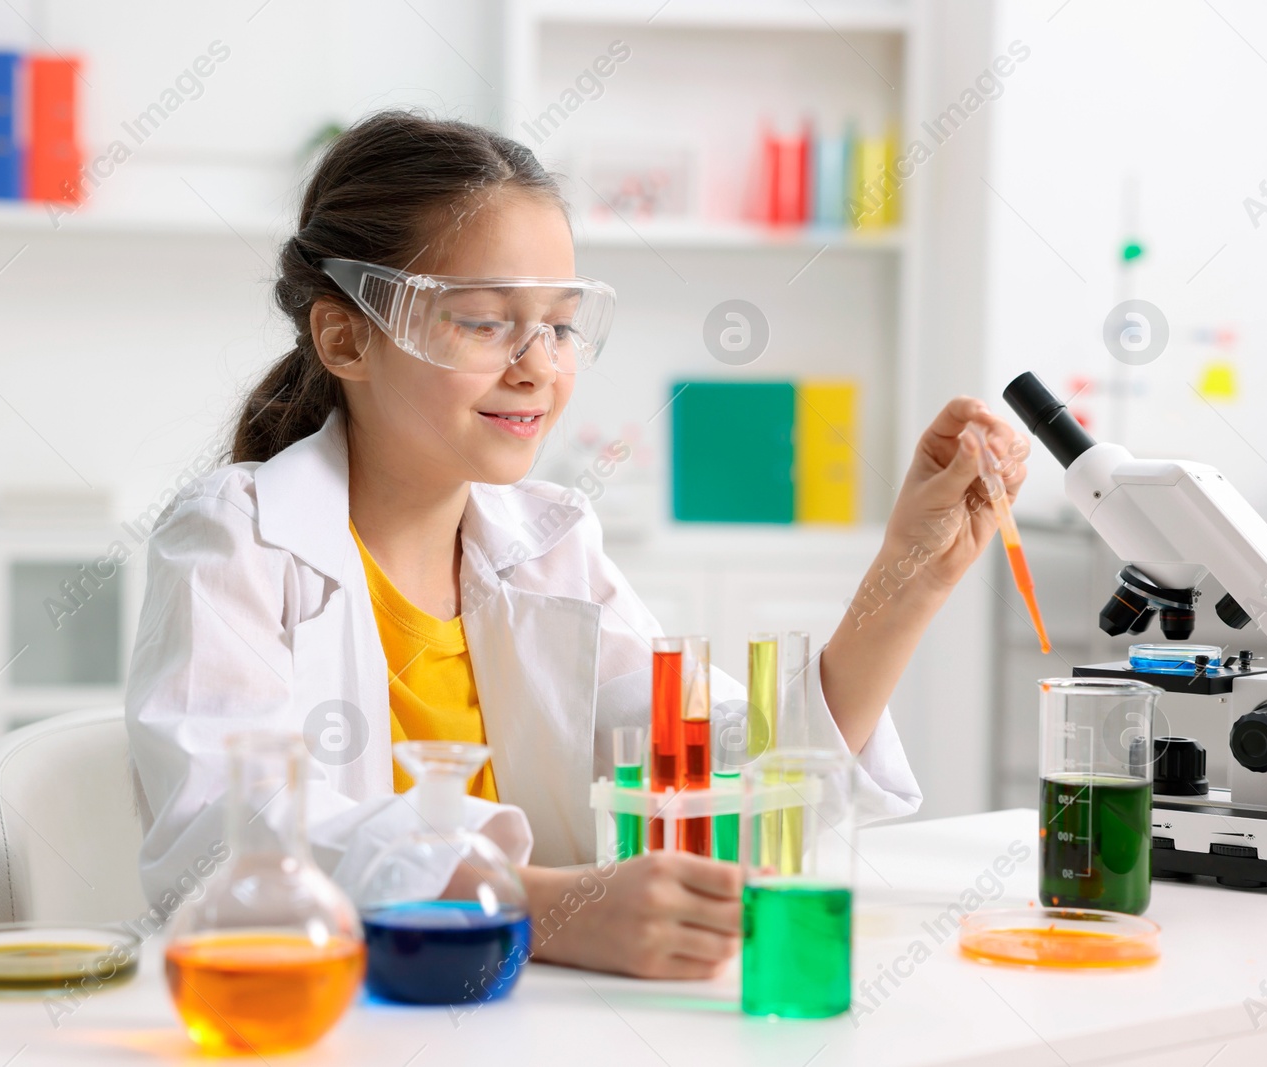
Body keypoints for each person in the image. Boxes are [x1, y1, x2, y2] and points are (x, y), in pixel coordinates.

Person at [126, 111, 1028, 979]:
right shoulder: (237, 537)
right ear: (346, 336)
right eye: (483, 320)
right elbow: (227, 834)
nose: (538, 364)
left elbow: (714, 763)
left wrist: (908, 577)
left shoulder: (550, 543)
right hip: (331, 1023)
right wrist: (546, 906)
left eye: (560, 323)